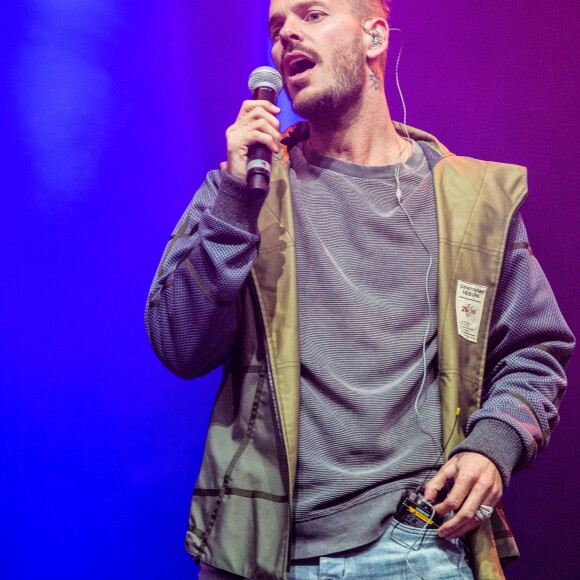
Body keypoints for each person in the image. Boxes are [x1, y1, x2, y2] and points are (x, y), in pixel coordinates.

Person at [145, 0, 574, 578]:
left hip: (421, 541)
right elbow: (180, 345)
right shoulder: (245, 192)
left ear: (374, 36)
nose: (287, 33)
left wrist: (492, 445)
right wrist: (235, 203)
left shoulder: (471, 199)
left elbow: (535, 349)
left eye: (312, 14)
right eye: (276, 27)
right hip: (268, 552)